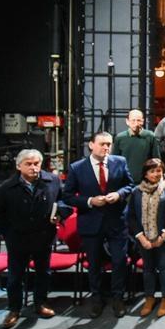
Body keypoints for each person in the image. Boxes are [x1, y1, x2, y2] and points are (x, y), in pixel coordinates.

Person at [0, 149, 72, 329]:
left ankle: (40, 303)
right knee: (15, 276)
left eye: (37, 164)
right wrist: (8, 234)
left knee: (43, 273)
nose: (33, 167)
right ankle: (14, 309)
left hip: (43, 236)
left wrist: (59, 214)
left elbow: (65, 202)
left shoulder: (53, 181)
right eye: (29, 164)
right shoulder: (6, 187)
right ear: (19, 166)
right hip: (17, 238)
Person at [64, 132, 134, 318]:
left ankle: (117, 298)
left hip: (116, 221)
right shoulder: (77, 167)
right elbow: (68, 196)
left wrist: (119, 194)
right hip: (90, 221)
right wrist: (89, 201)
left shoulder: (119, 161)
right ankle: (97, 299)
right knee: (94, 264)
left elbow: (130, 185)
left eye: (109, 144)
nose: (106, 148)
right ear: (91, 145)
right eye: (102, 144)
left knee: (119, 261)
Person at [126, 158, 165, 319]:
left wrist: (163, 235)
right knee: (148, 268)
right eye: (152, 171)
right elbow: (131, 217)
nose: (156, 174)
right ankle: (149, 298)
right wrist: (141, 237)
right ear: (145, 174)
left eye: (159, 170)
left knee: (164, 266)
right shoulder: (137, 191)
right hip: (144, 238)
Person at [113, 109, 161, 186]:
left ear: (143, 121)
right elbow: (115, 161)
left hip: (145, 181)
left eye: (139, 120)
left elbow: (156, 159)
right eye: (133, 120)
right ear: (127, 121)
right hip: (125, 182)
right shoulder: (120, 137)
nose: (136, 123)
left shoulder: (150, 136)